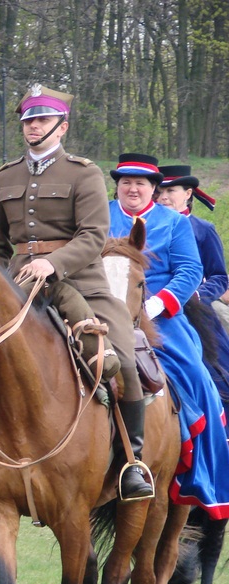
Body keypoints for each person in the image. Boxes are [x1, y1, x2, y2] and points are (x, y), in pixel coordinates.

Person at [0, 85, 154, 503]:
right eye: (28, 120)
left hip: (82, 284)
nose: (33, 126)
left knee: (126, 358)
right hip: (21, 288)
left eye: (42, 119)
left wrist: (53, 264)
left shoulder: (84, 173)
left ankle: (133, 459)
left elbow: (94, 236)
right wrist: (2, 282)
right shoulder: (5, 175)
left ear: (63, 126)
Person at [109, 154, 229, 519]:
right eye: (126, 181)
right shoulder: (99, 214)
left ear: (153, 188)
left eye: (140, 183)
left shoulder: (174, 223)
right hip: (101, 307)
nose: (132, 188)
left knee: (196, 374)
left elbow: (191, 269)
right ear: (117, 185)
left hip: (159, 312)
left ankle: (203, 469)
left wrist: (157, 306)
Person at [156, 164, 229, 400]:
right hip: (148, 303)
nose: (164, 197)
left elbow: (219, 276)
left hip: (193, 305)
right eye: (159, 191)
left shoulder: (203, 229)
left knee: (217, 363)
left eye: (171, 191)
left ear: (188, 194)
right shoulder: (144, 225)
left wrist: (198, 295)